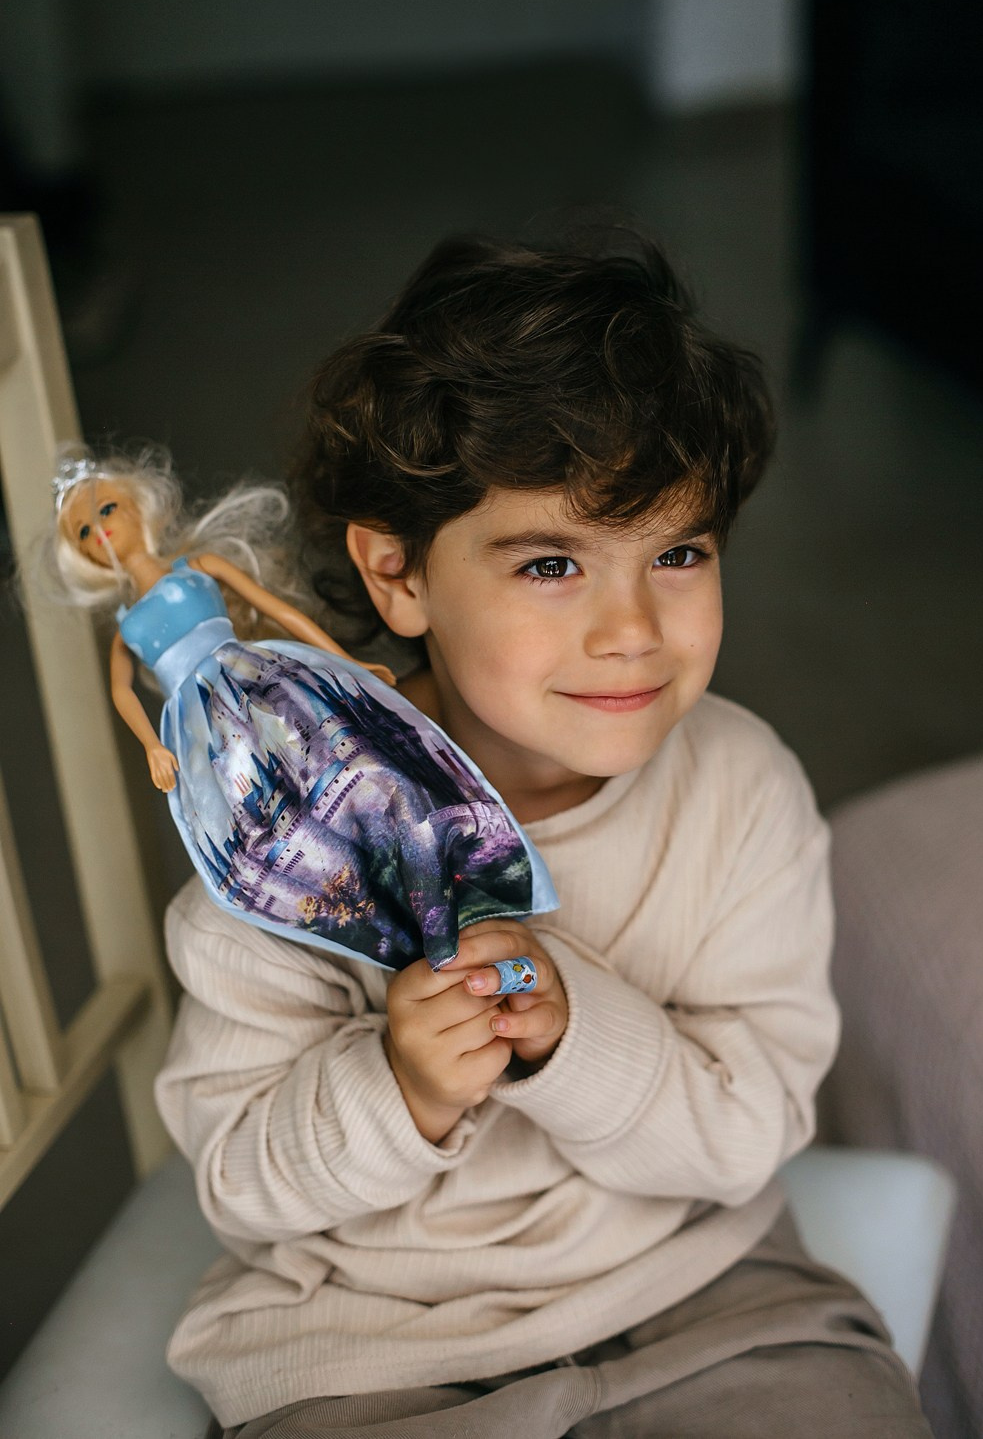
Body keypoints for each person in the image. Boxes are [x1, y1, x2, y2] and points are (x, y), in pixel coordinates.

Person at [154, 227, 934, 1436]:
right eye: (551, 565)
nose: (632, 627)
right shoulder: (287, 828)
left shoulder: (741, 790)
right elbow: (240, 1182)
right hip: (369, 1340)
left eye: (676, 552)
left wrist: (579, 1038)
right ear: (398, 576)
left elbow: (746, 1134)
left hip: (700, 1291)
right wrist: (397, 1085)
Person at [45, 450, 556, 970]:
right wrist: (153, 745)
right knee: (273, 831)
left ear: (137, 505)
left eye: (106, 510)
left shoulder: (196, 569)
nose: (100, 531)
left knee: (363, 770)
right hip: (209, 730)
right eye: (83, 532)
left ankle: (452, 893)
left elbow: (278, 611)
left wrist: (345, 661)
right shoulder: (128, 625)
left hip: (260, 685)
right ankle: (402, 933)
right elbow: (121, 693)